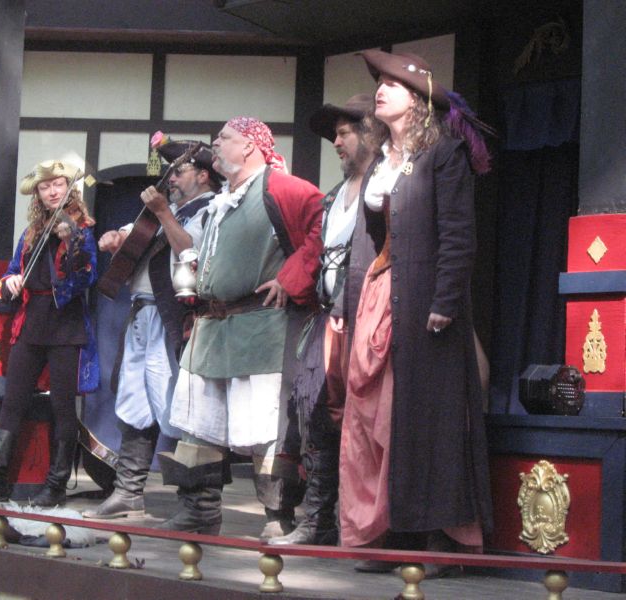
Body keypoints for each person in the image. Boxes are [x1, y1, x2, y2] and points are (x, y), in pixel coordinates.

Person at [339, 49, 494, 575]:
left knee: (430, 419)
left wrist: (445, 301)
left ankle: (441, 539)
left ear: (419, 100)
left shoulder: (444, 154)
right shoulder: (382, 162)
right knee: (382, 417)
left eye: (393, 84)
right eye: (379, 83)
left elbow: (458, 235)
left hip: (427, 301)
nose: (381, 90)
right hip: (385, 298)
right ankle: (395, 531)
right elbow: (374, 240)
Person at [157, 117, 323, 538]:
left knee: (268, 427)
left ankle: (278, 516)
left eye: (224, 138)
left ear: (250, 145)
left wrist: (291, 278)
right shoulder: (221, 200)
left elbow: (325, 227)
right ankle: (199, 510)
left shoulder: (282, 188)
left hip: (260, 326)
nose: (215, 144)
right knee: (198, 425)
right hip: (211, 328)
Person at [82, 140, 220, 520]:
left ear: (203, 175)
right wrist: (116, 240)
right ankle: (128, 492)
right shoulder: (167, 210)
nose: (170, 178)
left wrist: (163, 213)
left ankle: (198, 506)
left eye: (179, 171)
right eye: (170, 172)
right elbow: (132, 236)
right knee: (134, 403)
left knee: (179, 407)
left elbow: (191, 254)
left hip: (176, 317)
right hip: (143, 312)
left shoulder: (212, 210)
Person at [269, 94, 382, 546]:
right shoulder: (334, 196)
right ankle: (318, 521)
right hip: (325, 324)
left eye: (344, 133)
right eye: (334, 134)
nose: (336, 142)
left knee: (366, 425)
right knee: (316, 421)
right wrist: (289, 281)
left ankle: (365, 526)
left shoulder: (384, 188)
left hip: (368, 323)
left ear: (371, 133)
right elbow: (315, 252)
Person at [0, 160, 99, 507]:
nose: (53, 191)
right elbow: (11, 273)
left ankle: (56, 485)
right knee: (12, 403)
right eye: (45, 186)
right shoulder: (30, 233)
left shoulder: (82, 229)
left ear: (69, 187)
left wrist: (72, 243)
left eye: (58, 184)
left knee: (62, 408)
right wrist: (10, 281)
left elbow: (87, 277)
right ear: (37, 194)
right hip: (30, 323)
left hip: (66, 325)